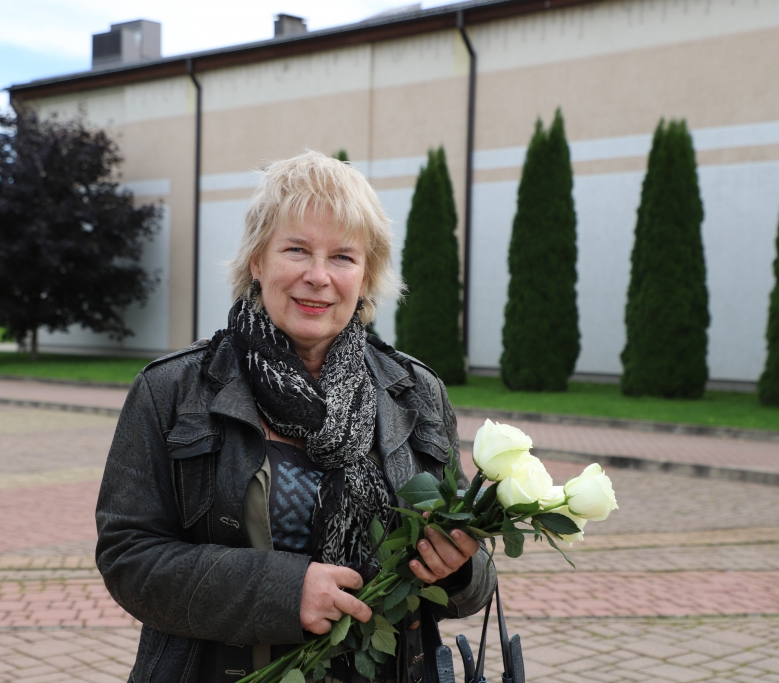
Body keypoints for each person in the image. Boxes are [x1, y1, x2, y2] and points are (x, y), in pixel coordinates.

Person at [96, 151, 496, 683]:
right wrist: (284, 591)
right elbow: (128, 556)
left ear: (366, 276)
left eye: (343, 257)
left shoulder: (416, 392)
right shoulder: (172, 390)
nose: (318, 276)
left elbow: (475, 577)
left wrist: (459, 566)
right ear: (257, 262)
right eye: (296, 250)